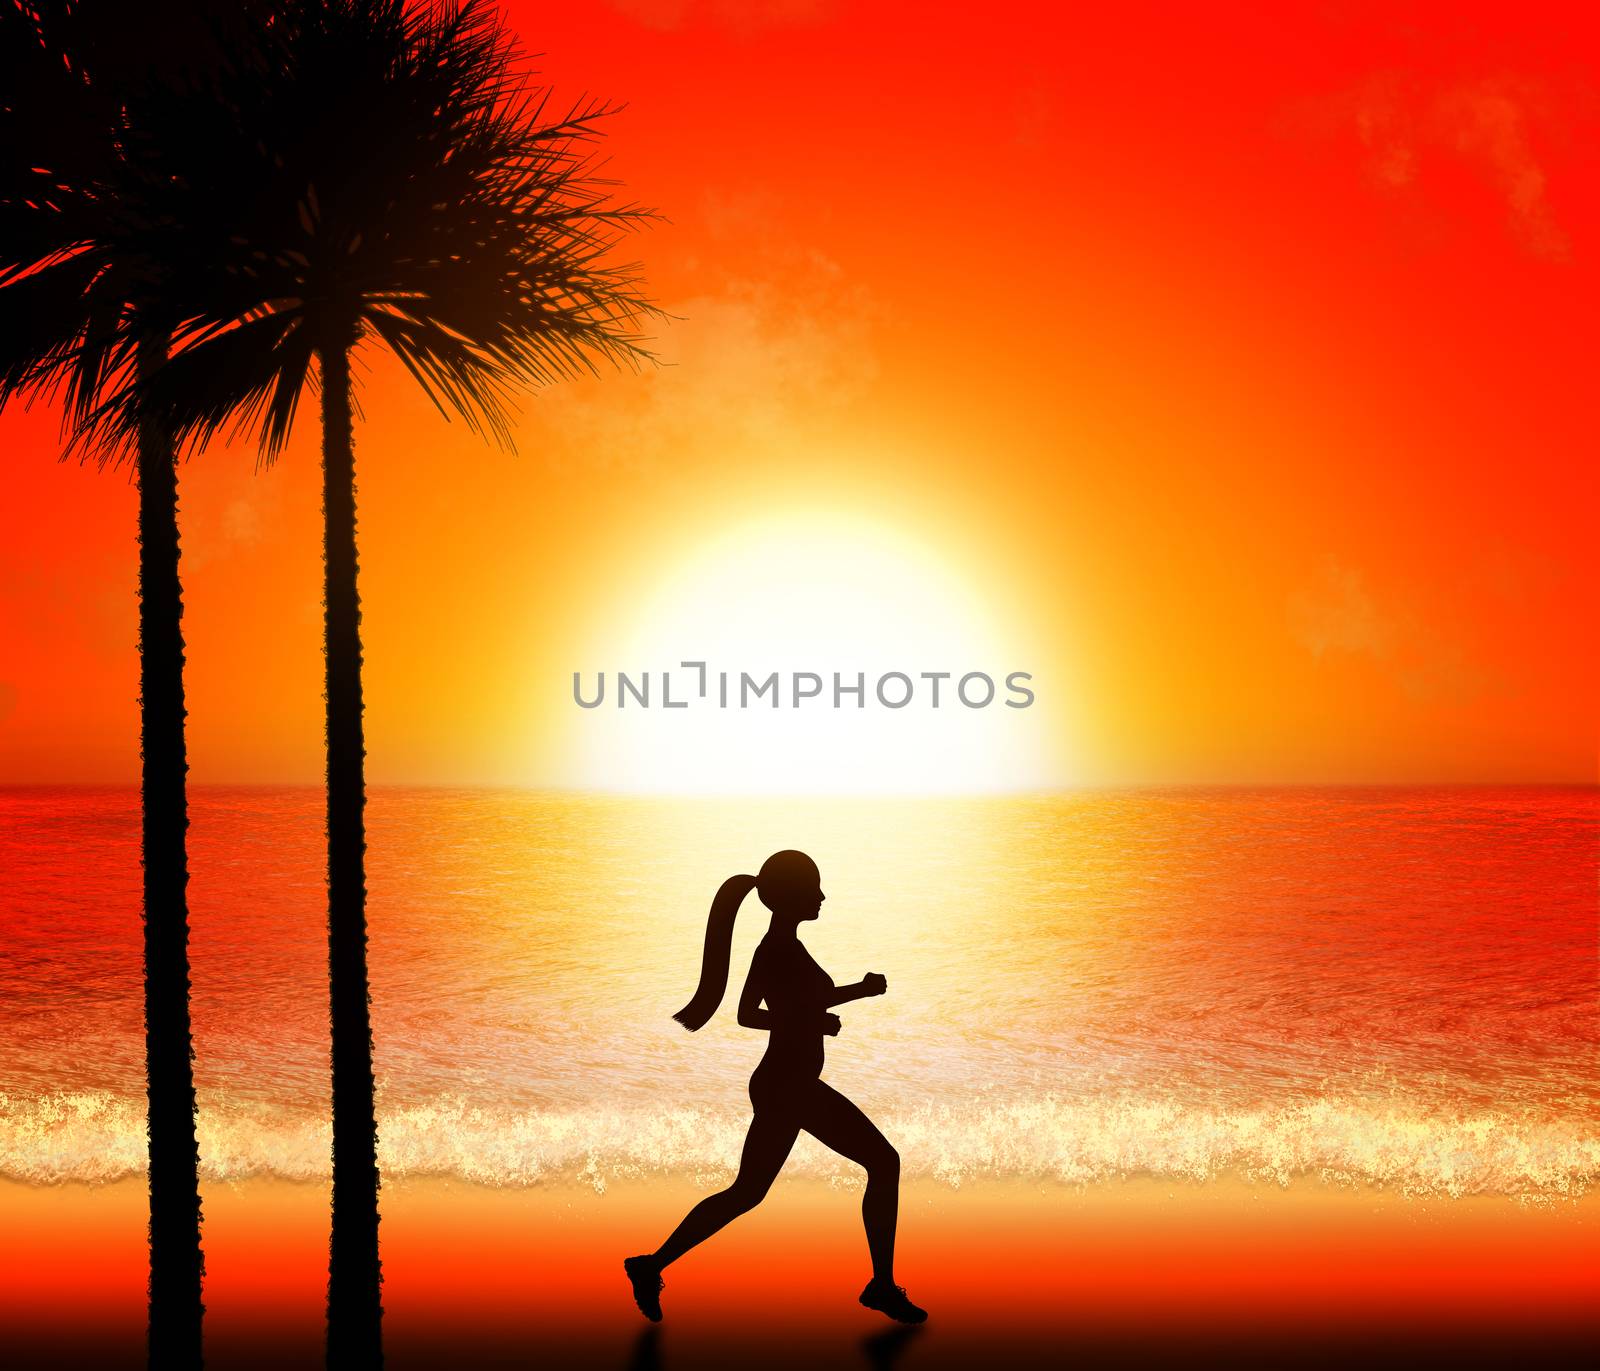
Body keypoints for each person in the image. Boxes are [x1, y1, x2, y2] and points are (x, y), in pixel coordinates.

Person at [624, 850, 926, 1324]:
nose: (823, 897)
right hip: (790, 1086)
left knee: (747, 1192)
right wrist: (859, 991)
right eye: (814, 889)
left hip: (785, 1084)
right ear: (790, 898)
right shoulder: (776, 949)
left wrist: (812, 1022)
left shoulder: (783, 946)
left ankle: (650, 1265)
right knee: (884, 1162)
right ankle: (882, 1286)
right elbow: (778, 1007)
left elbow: (757, 1012)